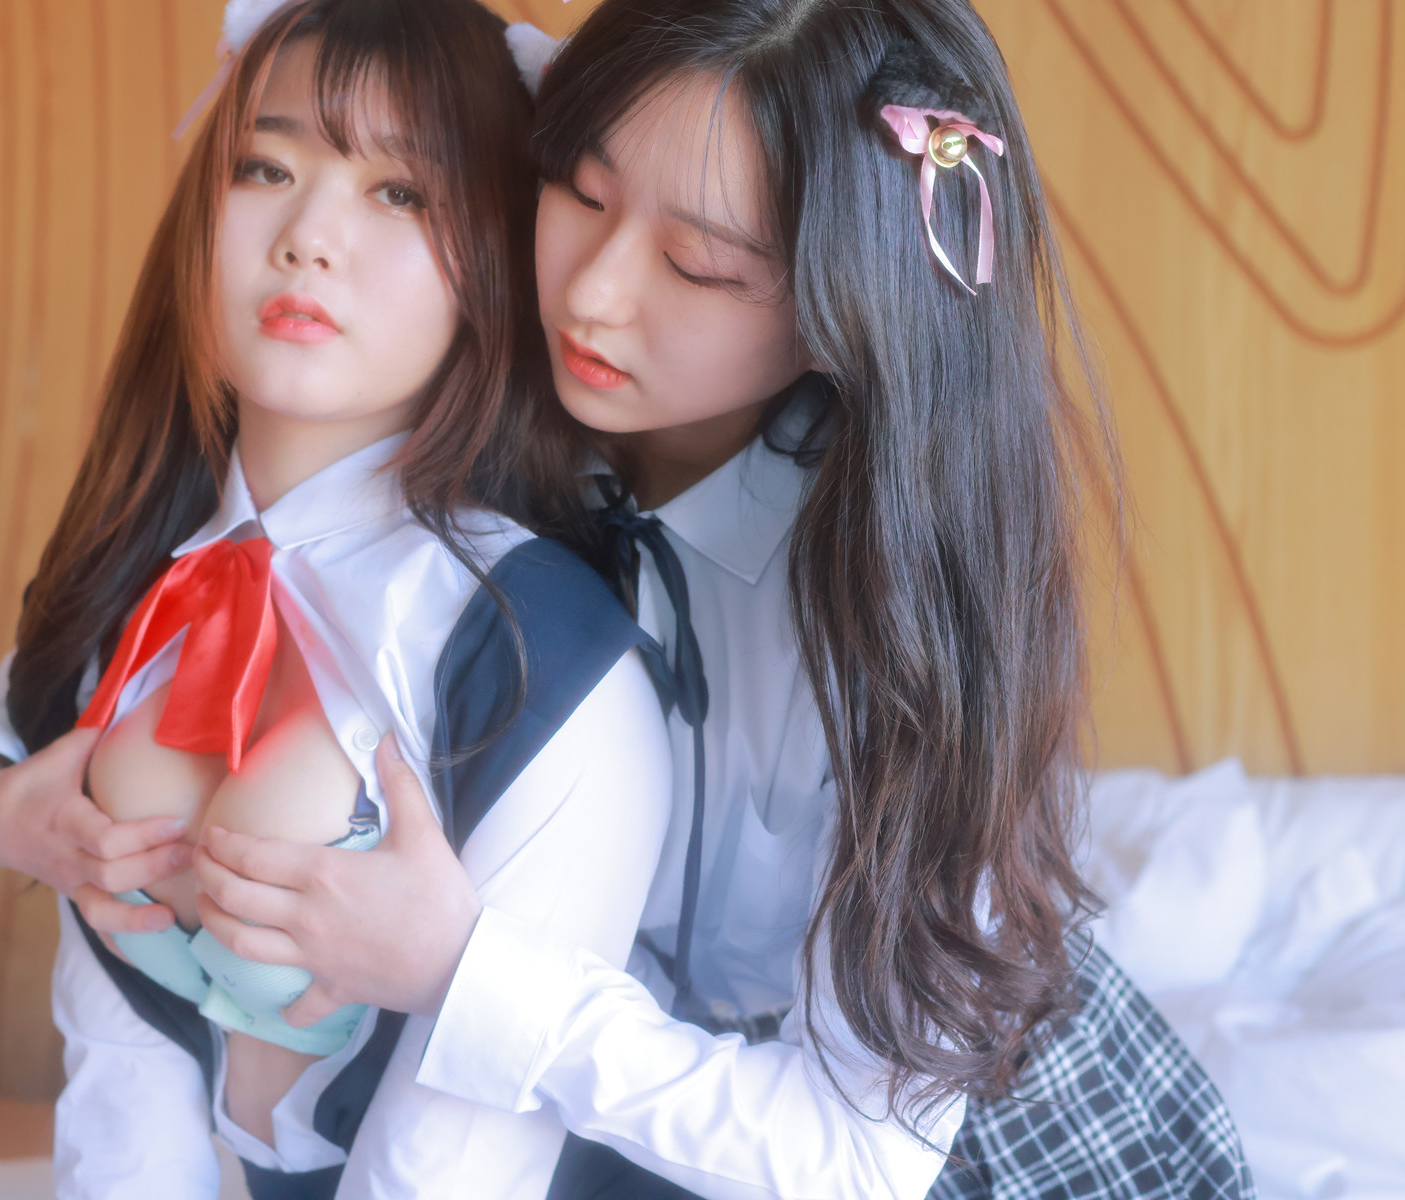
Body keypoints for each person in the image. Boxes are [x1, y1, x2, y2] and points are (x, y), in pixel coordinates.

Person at [189, 1, 1257, 1198]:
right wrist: (26, 790)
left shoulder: (898, 612)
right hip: (620, 1100)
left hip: (973, 1150)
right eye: (580, 192)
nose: (591, 293)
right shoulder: (476, 424)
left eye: (697, 265)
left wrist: (463, 971)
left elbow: (858, 1156)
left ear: (843, 305)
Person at [0, 0, 677, 1194]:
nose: (308, 238)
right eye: (266, 168)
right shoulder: (136, 580)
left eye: (401, 193)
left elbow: (460, 1152)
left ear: (495, 251)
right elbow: (122, 1083)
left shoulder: (541, 653)